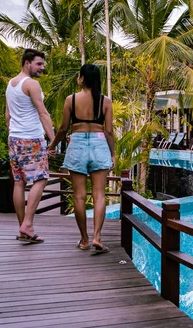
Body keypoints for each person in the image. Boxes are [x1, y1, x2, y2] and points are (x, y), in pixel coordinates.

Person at [48, 64, 115, 253]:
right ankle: (97, 237)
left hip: (77, 143)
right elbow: (109, 131)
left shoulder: (71, 100)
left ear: (81, 79)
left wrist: (52, 146)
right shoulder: (106, 101)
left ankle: (84, 240)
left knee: (79, 196)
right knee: (99, 194)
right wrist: (112, 154)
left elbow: (62, 129)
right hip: (99, 143)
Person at [6, 49, 56, 243]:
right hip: (31, 139)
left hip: (14, 139)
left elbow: (7, 115)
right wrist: (53, 141)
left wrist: (14, 134)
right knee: (41, 178)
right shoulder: (32, 84)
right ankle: (27, 224)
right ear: (27, 63)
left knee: (19, 182)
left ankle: (22, 228)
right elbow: (43, 113)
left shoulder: (10, 85)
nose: (42, 68)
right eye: (39, 64)